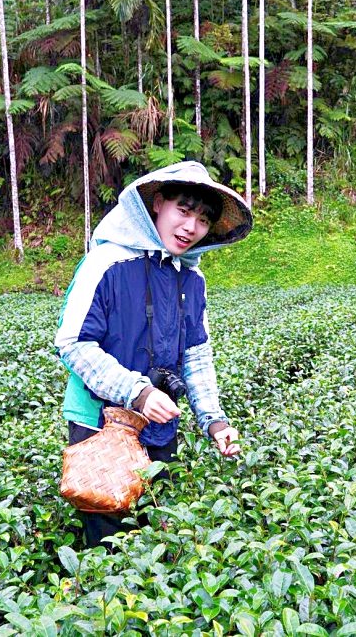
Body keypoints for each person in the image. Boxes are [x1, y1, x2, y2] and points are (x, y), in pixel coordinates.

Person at [53, 161, 253, 549]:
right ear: (158, 203)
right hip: (101, 426)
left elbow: (196, 354)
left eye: (203, 219)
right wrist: (139, 392)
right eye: (184, 209)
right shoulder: (106, 263)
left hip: (160, 428)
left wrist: (215, 422)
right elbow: (74, 343)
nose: (191, 227)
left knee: (151, 533)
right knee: (108, 541)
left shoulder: (191, 278)